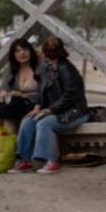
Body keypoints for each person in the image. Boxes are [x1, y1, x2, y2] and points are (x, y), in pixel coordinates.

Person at [9, 37, 88, 174]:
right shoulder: (47, 68)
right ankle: (25, 161)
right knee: (28, 120)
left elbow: (69, 97)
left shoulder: (67, 69)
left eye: (53, 50)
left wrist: (50, 110)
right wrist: (37, 107)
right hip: (57, 111)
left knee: (44, 124)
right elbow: (42, 91)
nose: (50, 53)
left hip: (75, 112)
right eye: (48, 50)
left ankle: (51, 161)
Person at [0, 38, 40, 132]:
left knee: (8, 118)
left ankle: (8, 141)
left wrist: (22, 95)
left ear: (31, 51)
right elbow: (4, 87)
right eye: (18, 51)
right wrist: (3, 93)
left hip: (34, 104)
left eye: (25, 49)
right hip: (15, 105)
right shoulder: (12, 68)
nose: (22, 53)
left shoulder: (40, 68)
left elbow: (45, 93)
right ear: (13, 54)